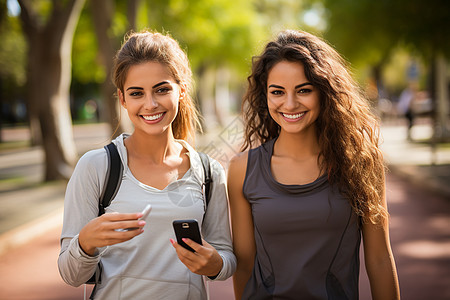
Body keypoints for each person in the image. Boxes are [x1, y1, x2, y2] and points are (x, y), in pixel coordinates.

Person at [58, 30, 236, 299]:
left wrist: (215, 264)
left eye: (162, 90)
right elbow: (71, 275)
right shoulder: (96, 167)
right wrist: (85, 242)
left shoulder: (209, 172)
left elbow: (227, 259)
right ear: (122, 99)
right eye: (137, 93)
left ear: (182, 90)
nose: (150, 104)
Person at [227, 30, 400, 300]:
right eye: (277, 92)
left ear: (324, 92)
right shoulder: (241, 169)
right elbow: (245, 265)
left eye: (304, 90)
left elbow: (379, 260)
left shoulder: (361, 162)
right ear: (265, 96)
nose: (290, 103)